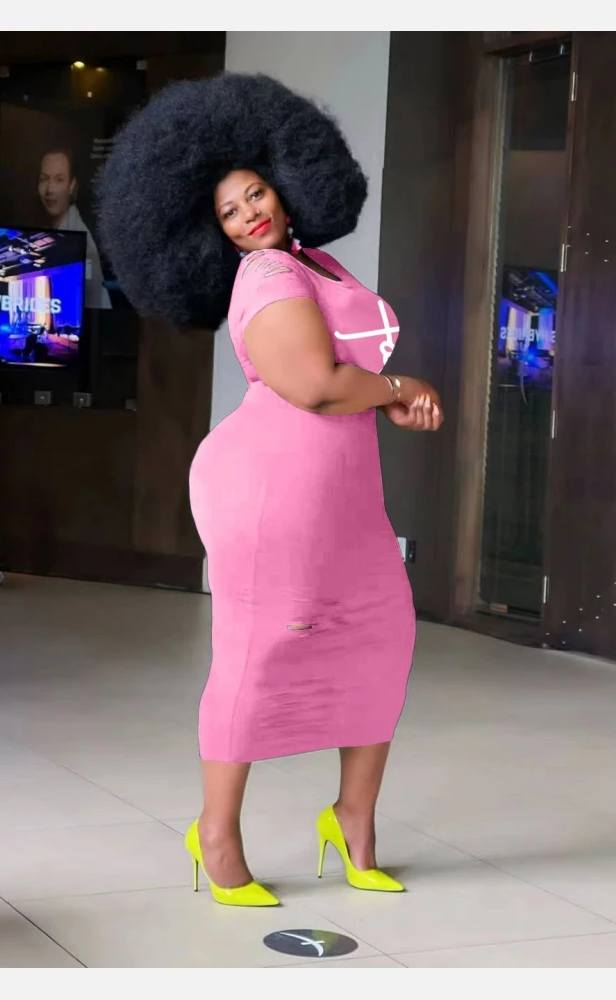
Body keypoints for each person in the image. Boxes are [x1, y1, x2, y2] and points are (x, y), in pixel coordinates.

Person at [98, 73, 444, 908]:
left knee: (381, 640)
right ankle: (216, 836)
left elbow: (338, 380)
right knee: (258, 656)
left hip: (345, 495)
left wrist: (384, 399)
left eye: (255, 193)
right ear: (211, 231)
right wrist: (400, 389)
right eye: (228, 211)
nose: (248, 213)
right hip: (271, 491)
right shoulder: (264, 276)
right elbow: (316, 385)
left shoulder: (308, 261)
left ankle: (352, 823)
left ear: (286, 187)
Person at [37, 149, 111, 309]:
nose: (50, 190)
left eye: (59, 180)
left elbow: (94, 307)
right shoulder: (48, 229)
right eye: (44, 179)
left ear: (72, 186)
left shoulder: (83, 243)